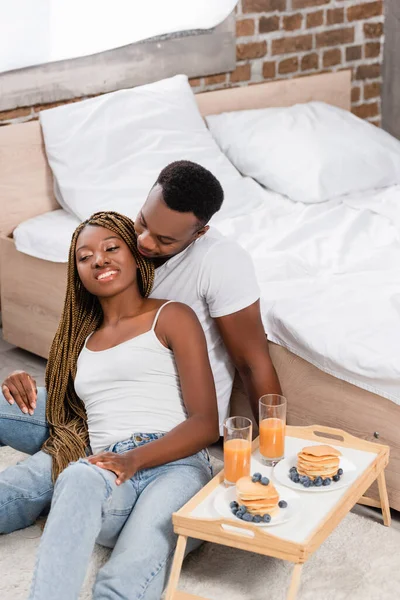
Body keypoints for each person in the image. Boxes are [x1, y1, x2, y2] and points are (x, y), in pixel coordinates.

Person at [1, 211, 219, 599]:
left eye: (111, 248)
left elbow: (205, 424)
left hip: (176, 466)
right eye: (84, 257)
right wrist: (21, 381)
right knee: (77, 475)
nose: (98, 259)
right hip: (108, 467)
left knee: (130, 569)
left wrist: (135, 459)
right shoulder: (80, 342)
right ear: (78, 274)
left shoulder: (171, 316)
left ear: (135, 256)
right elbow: (67, 413)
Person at [2, 160, 281, 433]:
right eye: (143, 222)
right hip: (96, 405)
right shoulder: (118, 246)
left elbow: (252, 363)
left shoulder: (220, 262)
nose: (144, 242)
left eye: (165, 240)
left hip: (163, 426)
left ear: (199, 234)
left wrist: (275, 448)